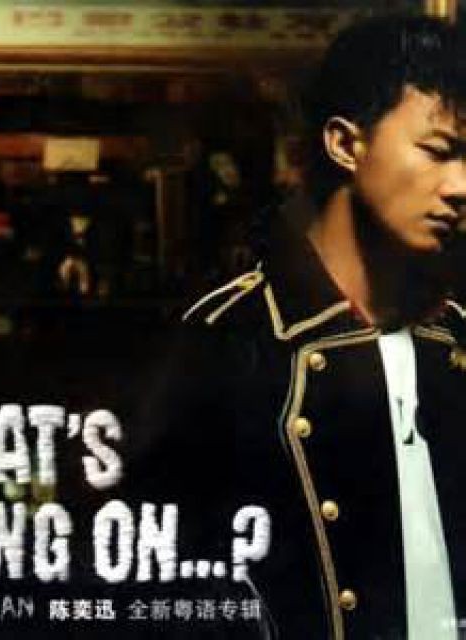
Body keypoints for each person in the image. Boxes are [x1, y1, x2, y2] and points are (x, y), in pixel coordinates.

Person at [132, 14, 466, 640]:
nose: (461, 186)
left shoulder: (454, 338)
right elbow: (164, 580)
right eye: (439, 151)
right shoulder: (232, 339)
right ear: (344, 144)